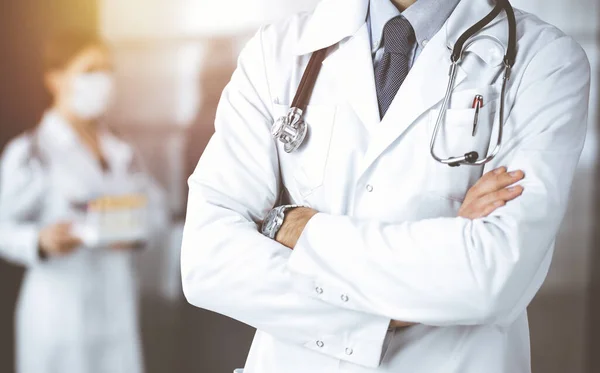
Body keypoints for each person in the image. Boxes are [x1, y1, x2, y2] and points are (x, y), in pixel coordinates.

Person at [180, 0, 591, 372]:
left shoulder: (544, 61)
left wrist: (298, 230)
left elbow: (490, 275)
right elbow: (208, 261)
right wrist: (400, 304)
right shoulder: (275, 53)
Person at [0, 31, 168, 373]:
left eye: (108, 68)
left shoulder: (122, 150)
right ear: (55, 78)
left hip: (116, 312)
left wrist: (135, 232)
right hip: (60, 319)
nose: (103, 80)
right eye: (90, 69)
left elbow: (156, 210)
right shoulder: (31, 153)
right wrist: (39, 241)